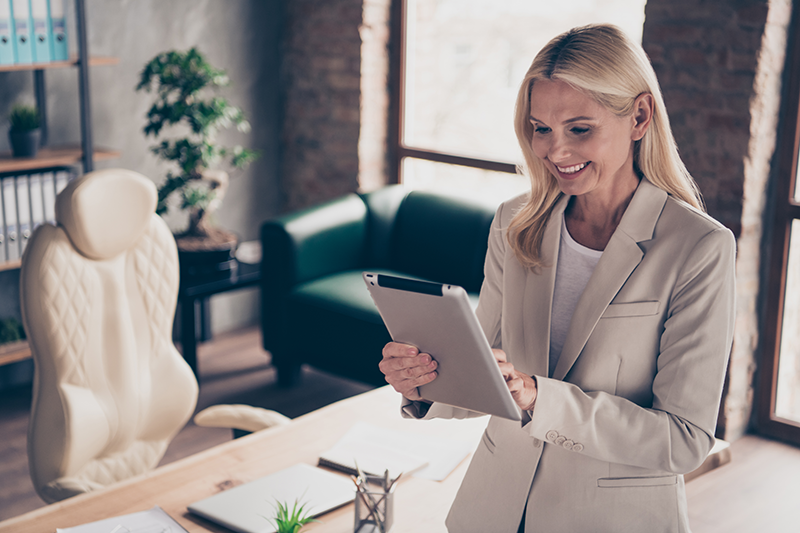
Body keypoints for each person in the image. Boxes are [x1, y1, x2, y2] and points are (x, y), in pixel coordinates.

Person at [378, 23, 735, 533]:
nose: (555, 151)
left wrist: (537, 399)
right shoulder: (515, 222)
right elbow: (490, 375)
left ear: (639, 116)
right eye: (540, 128)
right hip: (493, 509)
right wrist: (425, 384)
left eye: (579, 129)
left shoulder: (698, 247)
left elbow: (683, 439)